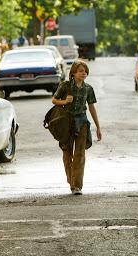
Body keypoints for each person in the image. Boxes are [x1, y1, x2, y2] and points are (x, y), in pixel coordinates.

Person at [52, 59, 102, 195]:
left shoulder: (88, 89)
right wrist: (64, 101)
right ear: (73, 73)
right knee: (67, 154)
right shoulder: (65, 86)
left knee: (80, 154)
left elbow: (91, 107)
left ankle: (77, 186)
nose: (84, 73)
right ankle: (71, 181)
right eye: (80, 71)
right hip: (66, 123)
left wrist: (98, 126)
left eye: (85, 71)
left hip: (82, 123)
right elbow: (54, 100)